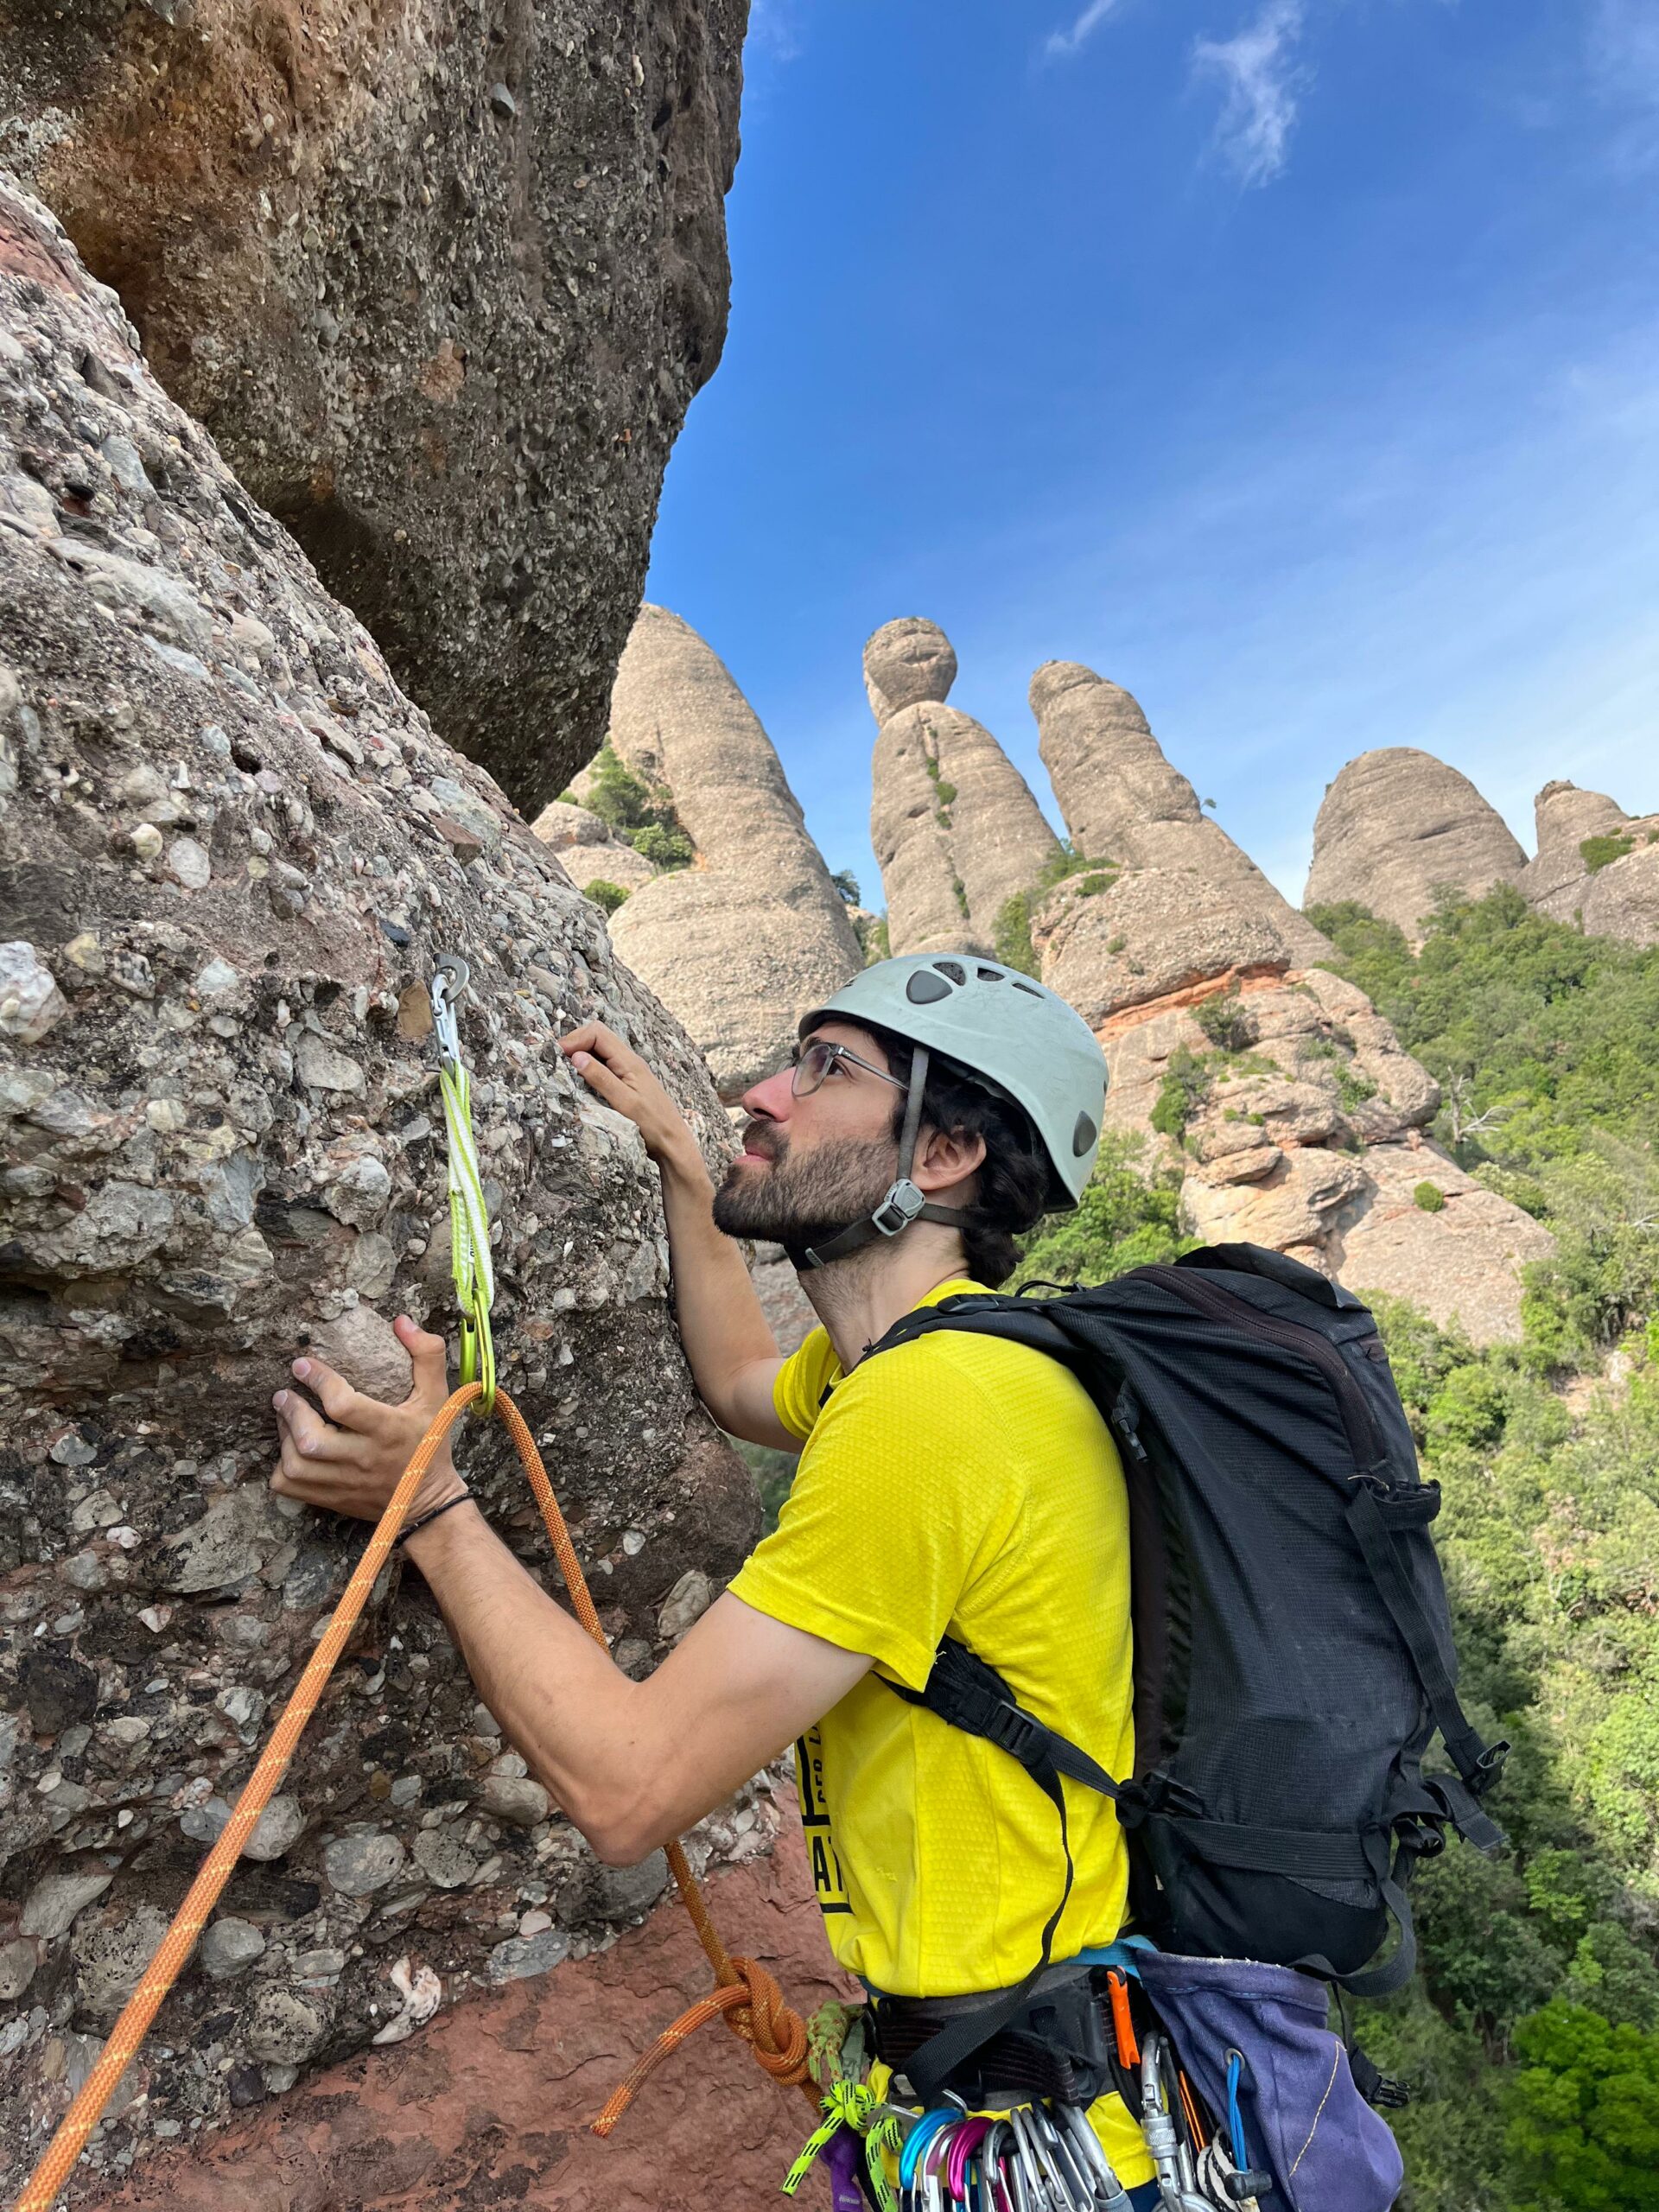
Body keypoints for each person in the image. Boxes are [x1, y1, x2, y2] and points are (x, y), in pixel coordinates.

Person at [269, 954, 1154, 2199]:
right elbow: (746, 1384)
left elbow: (631, 1791)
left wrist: (427, 1504)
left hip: (1043, 2148)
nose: (764, 1091)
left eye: (825, 1070)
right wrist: (696, 1174)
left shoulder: (935, 1414)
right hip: (1019, 2092)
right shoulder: (935, 1372)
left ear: (943, 1154)